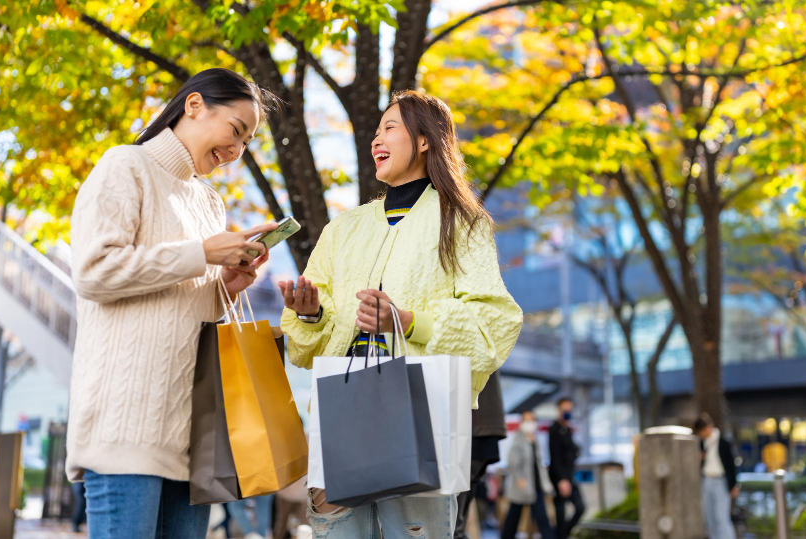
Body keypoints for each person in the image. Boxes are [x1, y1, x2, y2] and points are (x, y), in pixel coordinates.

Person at [279, 90, 524, 538]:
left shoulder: (461, 222)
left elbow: (495, 321)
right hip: (343, 406)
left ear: (425, 139)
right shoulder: (343, 229)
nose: (377, 139)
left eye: (389, 128)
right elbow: (306, 344)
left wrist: (409, 321)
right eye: (375, 131)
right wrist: (311, 314)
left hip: (421, 410)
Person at [66, 68, 277, 539]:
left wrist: (225, 284)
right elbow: (95, 272)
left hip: (193, 442)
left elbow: (187, 312)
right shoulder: (126, 166)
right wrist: (200, 254)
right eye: (236, 132)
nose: (236, 152)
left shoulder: (209, 203)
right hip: (126, 432)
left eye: (246, 143)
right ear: (195, 105)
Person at [455, 371, 508, 538]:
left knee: (461, 486)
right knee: (467, 484)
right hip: (485, 424)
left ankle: (457, 533)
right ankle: (458, 532)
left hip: (473, 425)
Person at [502, 412, 555, 539]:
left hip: (536, 485)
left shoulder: (535, 440)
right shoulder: (518, 440)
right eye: (526, 420)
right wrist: (520, 478)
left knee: (542, 519)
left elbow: (539, 464)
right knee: (513, 518)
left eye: (531, 420)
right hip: (523, 485)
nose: (529, 423)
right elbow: (513, 462)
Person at [693, 413, 738, 539]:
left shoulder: (723, 442)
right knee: (709, 517)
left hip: (721, 481)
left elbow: (731, 465)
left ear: (708, 427)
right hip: (706, 480)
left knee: (721, 517)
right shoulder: (702, 444)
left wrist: (734, 485)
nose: (701, 434)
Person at [548, 397, 584, 539]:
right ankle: (560, 535)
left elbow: (574, 451)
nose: (567, 412)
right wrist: (562, 479)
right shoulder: (555, 430)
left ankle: (560, 535)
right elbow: (555, 457)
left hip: (570, 476)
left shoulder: (568, 430)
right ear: (559, 410)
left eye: (570, 409)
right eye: (565, 409)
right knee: (561, 512)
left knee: (580, 507)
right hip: (559, 477)